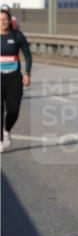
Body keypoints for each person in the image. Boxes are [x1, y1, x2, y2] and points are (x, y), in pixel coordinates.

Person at [1, 8, 31, 152]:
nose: (2, 22)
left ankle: (6, 130)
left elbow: (28, 55)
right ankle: (1, 140)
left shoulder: (17, 35)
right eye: (0, 20)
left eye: (5, 19)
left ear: (9, 21)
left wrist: (27, 73)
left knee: (13, 110)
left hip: (14, 78)